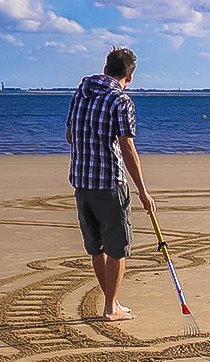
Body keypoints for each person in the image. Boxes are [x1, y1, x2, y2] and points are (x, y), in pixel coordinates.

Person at [66, 47, 156, 321]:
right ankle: (110, 308)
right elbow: (127, 148)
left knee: (97, 247)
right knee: (116, 248)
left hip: (82, 181)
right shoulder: (121, 100)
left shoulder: (81, 92)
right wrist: (143, 191)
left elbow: (69, 135)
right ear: (130, 76)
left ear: (105, 69)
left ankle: (112, 302)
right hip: (108, 182)